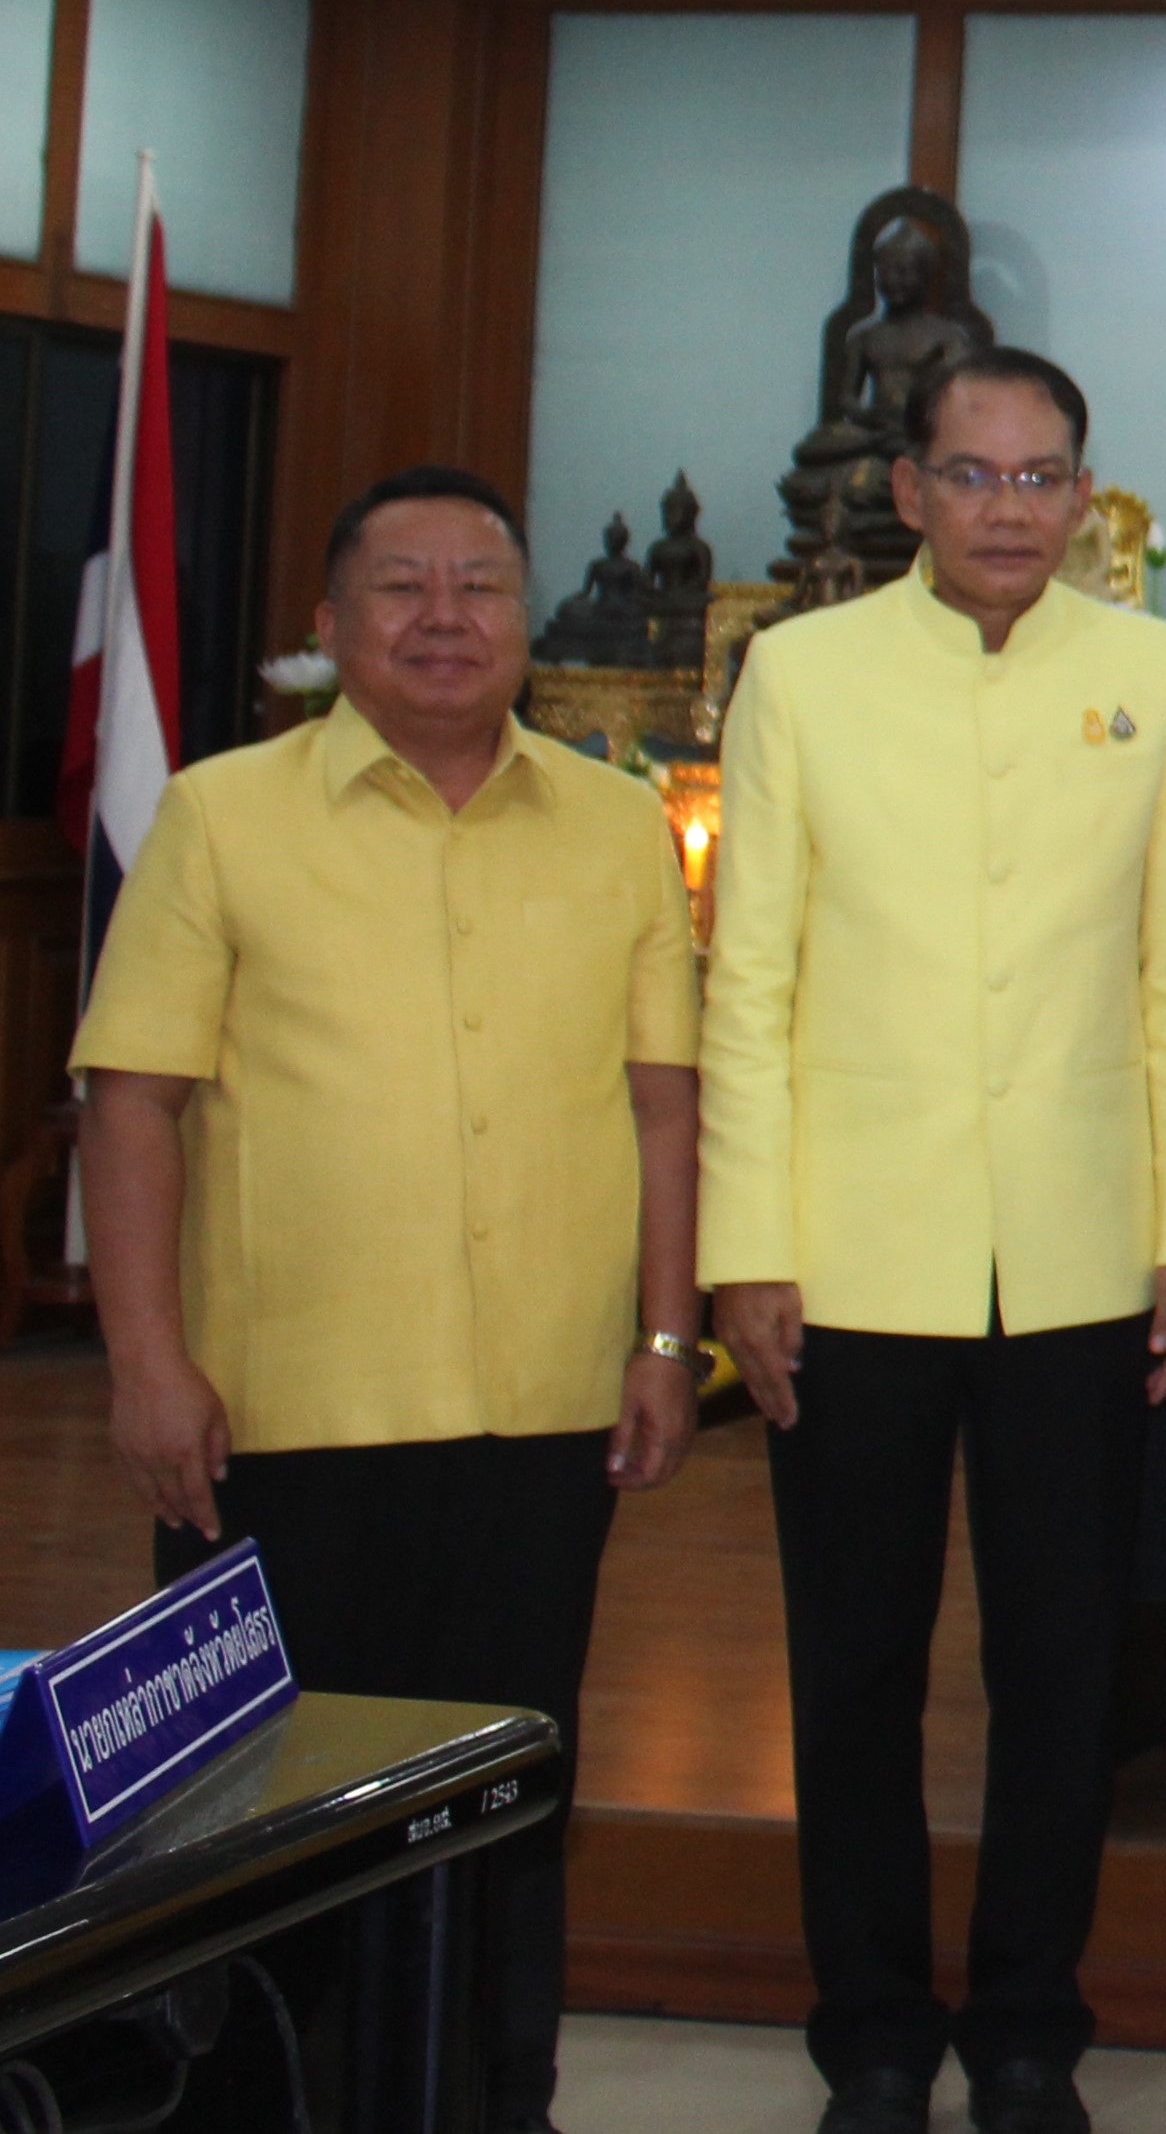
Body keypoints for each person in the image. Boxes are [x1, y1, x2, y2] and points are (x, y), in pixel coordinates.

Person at [72, 466, 702, 2134]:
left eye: (478, 585)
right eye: (402, 586)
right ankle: (264, 2107)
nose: (444, 617)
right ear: (331, 623)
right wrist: (144, 1361)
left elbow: (662, 1105)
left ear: (524, 619)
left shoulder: (619, 825)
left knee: (506, 1794)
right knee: (255, 1813)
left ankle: (495, 2100)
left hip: (540, 1413)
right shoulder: (221, 815)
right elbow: (131, 1104)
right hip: (279, 1417)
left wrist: (664, 1338)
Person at [702, 348, 1166, 2134]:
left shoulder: (1157, 675)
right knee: (853, 1662)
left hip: (1084, 1253)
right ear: (909, 490)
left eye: (1041, 475)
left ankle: (1025, 2028)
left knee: (1061, 1667)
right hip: (848, 1254)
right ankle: (868, 2029)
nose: (1010, 508)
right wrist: (746, 1246)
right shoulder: (801, 672)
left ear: (1085, 493)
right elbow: (749, 981)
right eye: (974, 473)